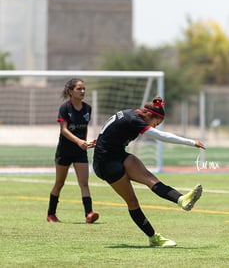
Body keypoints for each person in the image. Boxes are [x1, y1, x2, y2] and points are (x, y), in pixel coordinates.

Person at [92, 96, 205, 247]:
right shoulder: (134, 119)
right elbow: (161, 137)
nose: (155, 127)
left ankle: (182, 200)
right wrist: (191, 142)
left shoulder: (132, 114)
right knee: (132, 201)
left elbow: (109, 130)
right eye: (156, 123)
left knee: (151, 180)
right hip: (105, 163)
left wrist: (100, 141)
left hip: (118, 154)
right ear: (149, 115)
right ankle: (153, 237)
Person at [47, 78, 99, 223]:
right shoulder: (65, 108)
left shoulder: (87, 108)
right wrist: (79, 141)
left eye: (84, 89)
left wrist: (86, 143)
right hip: (64, 151)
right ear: (71, 91)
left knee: (84, 183)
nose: (82, 91)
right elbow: (64, 130)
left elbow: (84, 128)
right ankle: (51, 214)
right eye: (79, 89)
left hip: (80, 151)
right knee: (59, 183)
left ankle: (89, 214)